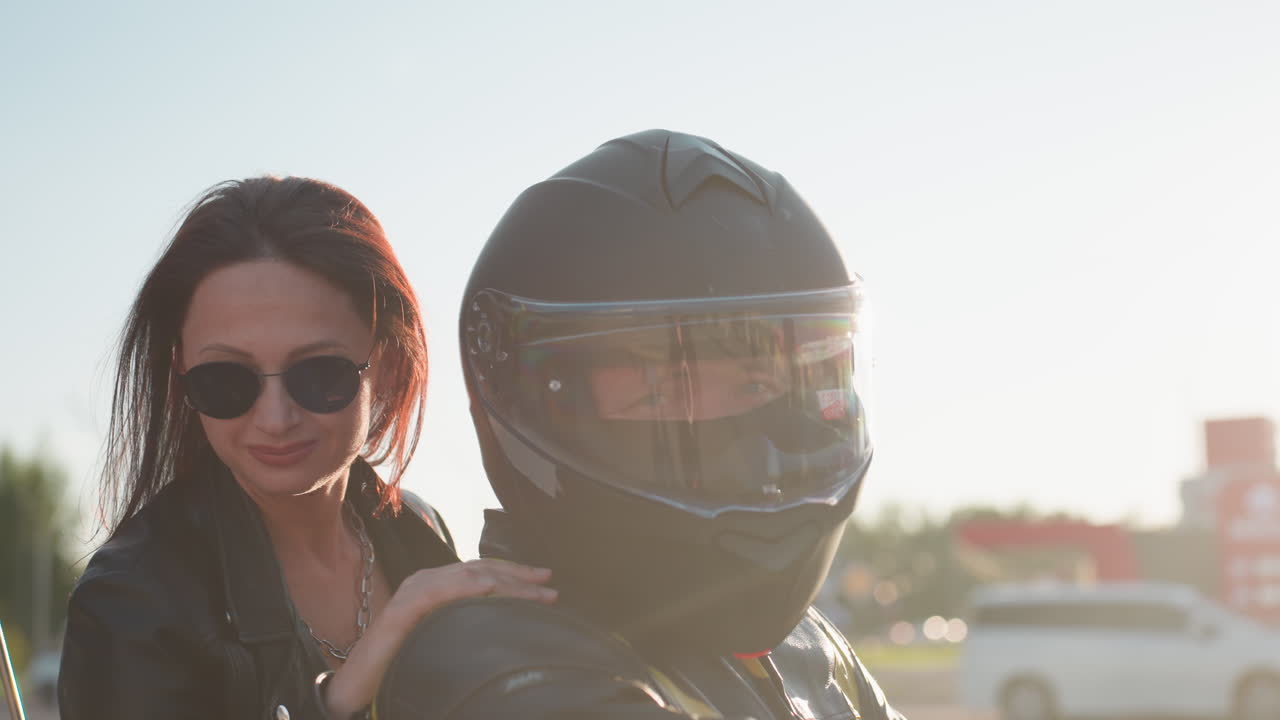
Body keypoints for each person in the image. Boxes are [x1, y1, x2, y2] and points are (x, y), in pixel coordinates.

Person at [371, 130, 905, 719]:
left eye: (756, 388)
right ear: (542, 408)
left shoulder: (808, 646)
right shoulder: (499, 665)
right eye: (660, 395)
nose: (740, 452)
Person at [57, 177, 557, 720]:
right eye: (226, 379)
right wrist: (339, 698)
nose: (275, 419)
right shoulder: (133, 602)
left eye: (320, 374)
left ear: (386, 367)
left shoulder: (417, 530)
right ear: (181, 372)